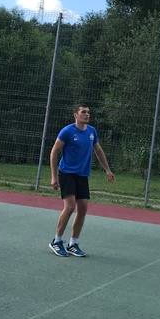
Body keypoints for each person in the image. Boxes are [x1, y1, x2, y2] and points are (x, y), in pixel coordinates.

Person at [48, 103, 114, 257]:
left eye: (88, 112)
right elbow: (54, 152)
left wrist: (107, 169)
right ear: (75, 115)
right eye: (83, 112)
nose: (87, 114)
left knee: (83, 208)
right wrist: (53, 176)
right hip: (67, 173)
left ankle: (73, 243)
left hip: (82, 175)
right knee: (70, 206)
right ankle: (57, 241)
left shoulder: (91, 131)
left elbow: (98, 150)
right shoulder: (67, 131)